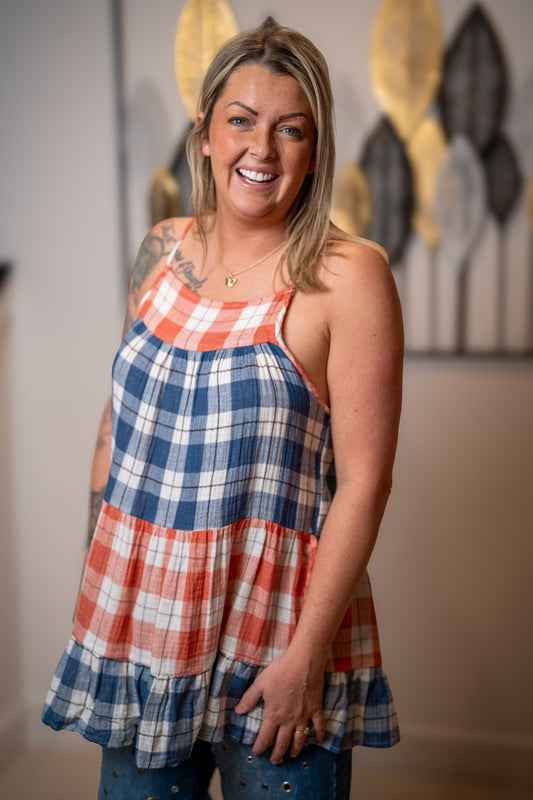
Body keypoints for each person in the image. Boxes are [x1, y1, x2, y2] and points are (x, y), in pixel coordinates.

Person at [42, 17, 403, 800]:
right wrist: (96, 579)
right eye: (240, 121)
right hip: (144, 639)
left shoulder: (349, 277)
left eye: (290, 130)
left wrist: (305, 658)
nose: (261, 151)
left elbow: (365, 483)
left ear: (316, 147)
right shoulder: (162, 249)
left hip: (274, 644)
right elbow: (122, 426)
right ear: (204, 133)